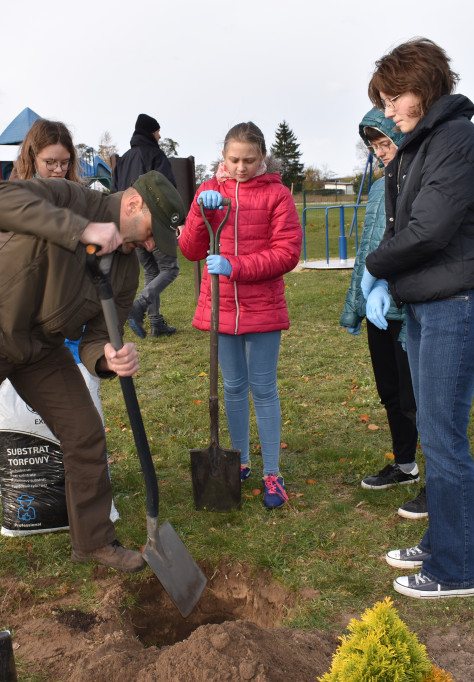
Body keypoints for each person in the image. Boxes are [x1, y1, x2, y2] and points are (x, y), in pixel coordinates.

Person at [0, 170, 186, 571]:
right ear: (133, 204)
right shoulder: (71, 199)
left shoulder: (126, 268)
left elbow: (99, 336)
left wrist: (107, 358)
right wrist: (81, 229)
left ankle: (94, 542)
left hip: (40, 348)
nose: (151, 245)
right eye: (152, 233)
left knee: (84, 431)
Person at [363, 38, 474, 599]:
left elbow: (430, 231)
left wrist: (373, 266)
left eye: (393, 97)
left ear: (423, 87)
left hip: (458, 306)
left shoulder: (455, 142)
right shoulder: (423, 144)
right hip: (427, 302)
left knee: (444, 439)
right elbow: (406, 224)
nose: (389, 109)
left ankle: (457, 569)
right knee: (433, 429)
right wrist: (386, 276)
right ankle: (442, 540)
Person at [181, 122, 302, 510]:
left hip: (262, 306)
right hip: (221, 307)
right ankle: (240, 460)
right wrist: (201, 212)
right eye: (233, 159)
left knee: (263, 388)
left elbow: (287, 253)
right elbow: (189, 248)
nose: (240, 167)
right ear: (223, 157)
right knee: (232, 387)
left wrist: (235, 266)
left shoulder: (277, 195)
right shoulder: (208, 191)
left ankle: (273, 472)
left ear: (262, 158)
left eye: (249, 160)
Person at [340, 108, 424, 520]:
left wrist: (395, 290)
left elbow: (418, 244)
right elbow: (368, 253)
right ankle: (405, 465)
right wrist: (359, 301)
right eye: (375, 146)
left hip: (412, 305)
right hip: (380, 309)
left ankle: (436, 483)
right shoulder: (377, 189)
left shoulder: (421, 183)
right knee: (391, 391)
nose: (381, 152)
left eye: (386, 143)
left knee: (418, 397)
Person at [114, 114, 181, 338]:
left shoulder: (123, 159)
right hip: (154, 224)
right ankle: (140, 305)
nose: (160, 135)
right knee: (170, 268)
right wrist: (174, 220)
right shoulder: (155, 154)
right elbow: (168, 189)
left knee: (152, 270)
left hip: (130, 226)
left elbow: (115, 193)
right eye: (157, 131)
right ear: (150, 132)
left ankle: (155, 322)